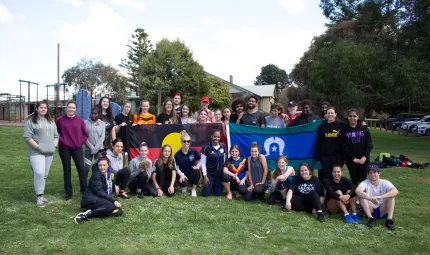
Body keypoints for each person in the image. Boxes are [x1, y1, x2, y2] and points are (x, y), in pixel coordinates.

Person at [24, 100, 59, 207]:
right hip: (36, 152)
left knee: (44, 175)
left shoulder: (51, 121)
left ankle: (41, 196)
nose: (43, 109)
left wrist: (54, 146)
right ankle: (39, 197)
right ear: (37, 109)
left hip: (49, 153)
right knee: (39, 172)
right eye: (41, 107)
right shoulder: (31, 122)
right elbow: (27, 138)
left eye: (45, 108)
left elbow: (56, 136)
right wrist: (39, 147)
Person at [74, 154, 123, 224]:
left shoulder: (111, 173)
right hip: (91, 199)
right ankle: (85, 215)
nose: (102, 167)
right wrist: (113, 200)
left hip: (101, 198)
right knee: (111, 206)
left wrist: (116, 186)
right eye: (100, 165)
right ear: (98, 165)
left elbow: (110, 186)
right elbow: (99, 191)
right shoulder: (96, 174)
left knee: (119, 211)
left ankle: (100, 211)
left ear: (108, 165)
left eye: (104, 165)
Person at [56, 101, 88, 201]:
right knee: (67, 170)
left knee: (81, 169)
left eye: (73, 108)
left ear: (76, 109)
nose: (71, 109)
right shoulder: (60, 120)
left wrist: (80, 142)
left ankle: (84, 190)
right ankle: (68, 193)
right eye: (69, 107)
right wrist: (62, 140)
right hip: (64, 148)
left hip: (77, 148)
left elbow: (85, 134)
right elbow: (56, 133)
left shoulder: (80, 121)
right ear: (66, 108)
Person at [355, 165, 398, 230]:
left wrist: (381, 197)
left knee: (391, 196)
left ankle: (389, 221)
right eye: (370, 172)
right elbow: (357, 191)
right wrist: (370, 199)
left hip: (382, 209)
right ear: (368, 174)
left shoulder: (384, 182)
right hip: (370, 208)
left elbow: (395, 191)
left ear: (379, 173)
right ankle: (371, 219)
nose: (372, 174)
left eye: (374, 172)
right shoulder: (365, 182)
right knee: (362, 196)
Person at [341, 108, 373, 186]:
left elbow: (369, 143)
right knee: (354, 180)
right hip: (352, 160)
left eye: (355, 116)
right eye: (350, 116)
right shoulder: (344, 129)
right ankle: (355, 197)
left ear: (358, 117)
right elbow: (344, 146)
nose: (352, 118)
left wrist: (364, 156)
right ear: (348, 117)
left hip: (363, 159)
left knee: (363, 180)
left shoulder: (363, 128)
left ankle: (364, 196)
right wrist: (353, 158)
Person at [315, 107, 344, 187]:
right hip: (325, 156)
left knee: (336, 175)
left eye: (332, 113)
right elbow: (318, 142)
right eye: (328, 113)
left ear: (335, 114)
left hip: (337, 155)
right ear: (326, 115)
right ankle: (327, 193)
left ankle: (337, 192)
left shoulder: (341, 124)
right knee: (326, 175)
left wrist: (361, 122)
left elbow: (352, 125)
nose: (330, 115)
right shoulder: (321, 126)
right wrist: (318, 157)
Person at [174, 131, 201, 197]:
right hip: (182, 175)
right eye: (184, 141)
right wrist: (182, 175)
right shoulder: (177, 154)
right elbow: (176, 167)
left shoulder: (193, 151)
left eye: (188, 141)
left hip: (191, 174)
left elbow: (199, 160)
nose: (186, 143)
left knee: (197, 171)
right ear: (181, 142)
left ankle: (193, 189)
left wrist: (197, 166)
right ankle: (184, 187)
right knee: (183, 183)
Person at [201, 129, 227, 197]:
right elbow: (203, 163)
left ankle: (215, 185)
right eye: (215, 136)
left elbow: (224, 160)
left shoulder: (223, 146)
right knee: (206, 194)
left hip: (219, 174)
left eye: (218, 137)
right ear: (211, 136)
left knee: (218, 194)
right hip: (209, 174)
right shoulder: (206, 147)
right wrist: (205, 176)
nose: (217, 138)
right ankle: (209, 184)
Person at [84, 106, 106, 174]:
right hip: (88, 149)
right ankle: (84, 183)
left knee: (99, 168)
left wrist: (95, 148)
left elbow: (102, 137)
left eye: (95, 113)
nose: (93, 115)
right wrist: (91, 148)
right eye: (92, 113)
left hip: (99, 149)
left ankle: (98, 182)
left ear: (99, 114)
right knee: (86, 168)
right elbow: (84, 137)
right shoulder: (85, 123)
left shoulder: (102, 124)